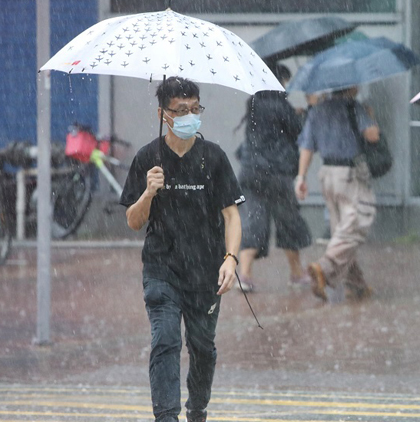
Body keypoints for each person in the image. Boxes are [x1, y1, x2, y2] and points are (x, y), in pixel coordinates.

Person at [120, 76, 245, 422]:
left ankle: (197, 408)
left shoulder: (213, 157)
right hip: (162, 269)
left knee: (202, 348)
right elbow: (133, 221)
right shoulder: (149, 157)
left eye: (195, 108)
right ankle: (166, 416)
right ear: (163, 114)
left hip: (205, 271)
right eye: (181, 110)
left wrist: (231, 259)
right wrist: (148, 193)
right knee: (166, 340)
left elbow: (232, 215)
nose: (190, 115)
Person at [295, 86, 379, 302]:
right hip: (350, 174)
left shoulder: (317, 110)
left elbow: (307, 146)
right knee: (357, 225)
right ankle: (324, 268)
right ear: (350, 86)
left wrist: (302, 177)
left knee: (341, 230)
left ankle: (356, 284)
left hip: (327, 175)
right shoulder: (354, 107)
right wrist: (370, 118)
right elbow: (372, 135)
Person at [234, 63, 311, 292]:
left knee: (253, 222)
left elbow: (267, 129)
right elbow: (298, 132)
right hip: (277, 173)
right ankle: (296, 273)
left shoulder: (254, 102)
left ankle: (245, 275)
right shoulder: (280, 104)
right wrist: (305, 112)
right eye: (284, 80)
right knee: (288, 222)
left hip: (251, 172)